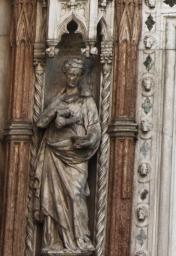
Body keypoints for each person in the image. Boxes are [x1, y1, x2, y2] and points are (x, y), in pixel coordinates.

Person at [32, 57, 101, 255]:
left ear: (80, 77)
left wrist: (87, 140)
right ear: (65, 74)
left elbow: (95, 128)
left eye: (76, 74)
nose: (72, 77)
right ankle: (55, 240)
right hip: (54, 151)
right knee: (53, 197)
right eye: (69, 73)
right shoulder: (59, 99)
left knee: (76, 193)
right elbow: (41, 123)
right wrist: (55, 113)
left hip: (76, 155)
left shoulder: (86, 102)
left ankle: (80, 239)